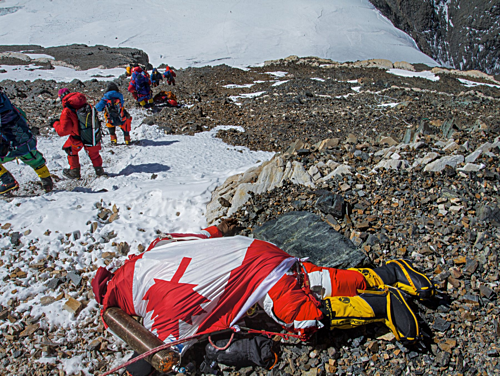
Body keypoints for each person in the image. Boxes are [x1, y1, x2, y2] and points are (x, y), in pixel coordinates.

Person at [92, 219, 435, 375]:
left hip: (258, 276)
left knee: (303, 317)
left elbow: (159, 355)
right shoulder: (152, 251)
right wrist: (223, 228)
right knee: (313, 279)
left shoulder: (158, 309)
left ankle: (381, 303)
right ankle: (390, 273)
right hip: (255, 250)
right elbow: (208, 231)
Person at [0, 87, 53, 194]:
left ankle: (8, 182)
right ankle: (47, 181)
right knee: (33, 158)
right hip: (26, 139)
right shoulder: (7, 105)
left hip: (8, 145)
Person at [52, 88, 106, 179]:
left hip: (77, 138)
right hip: (90, 134)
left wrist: (55, 123)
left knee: (70, 150)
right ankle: (99, 171)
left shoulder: (67, 110)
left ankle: (74, 172)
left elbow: (63, 131)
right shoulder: (84, 104)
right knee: (94, 154)